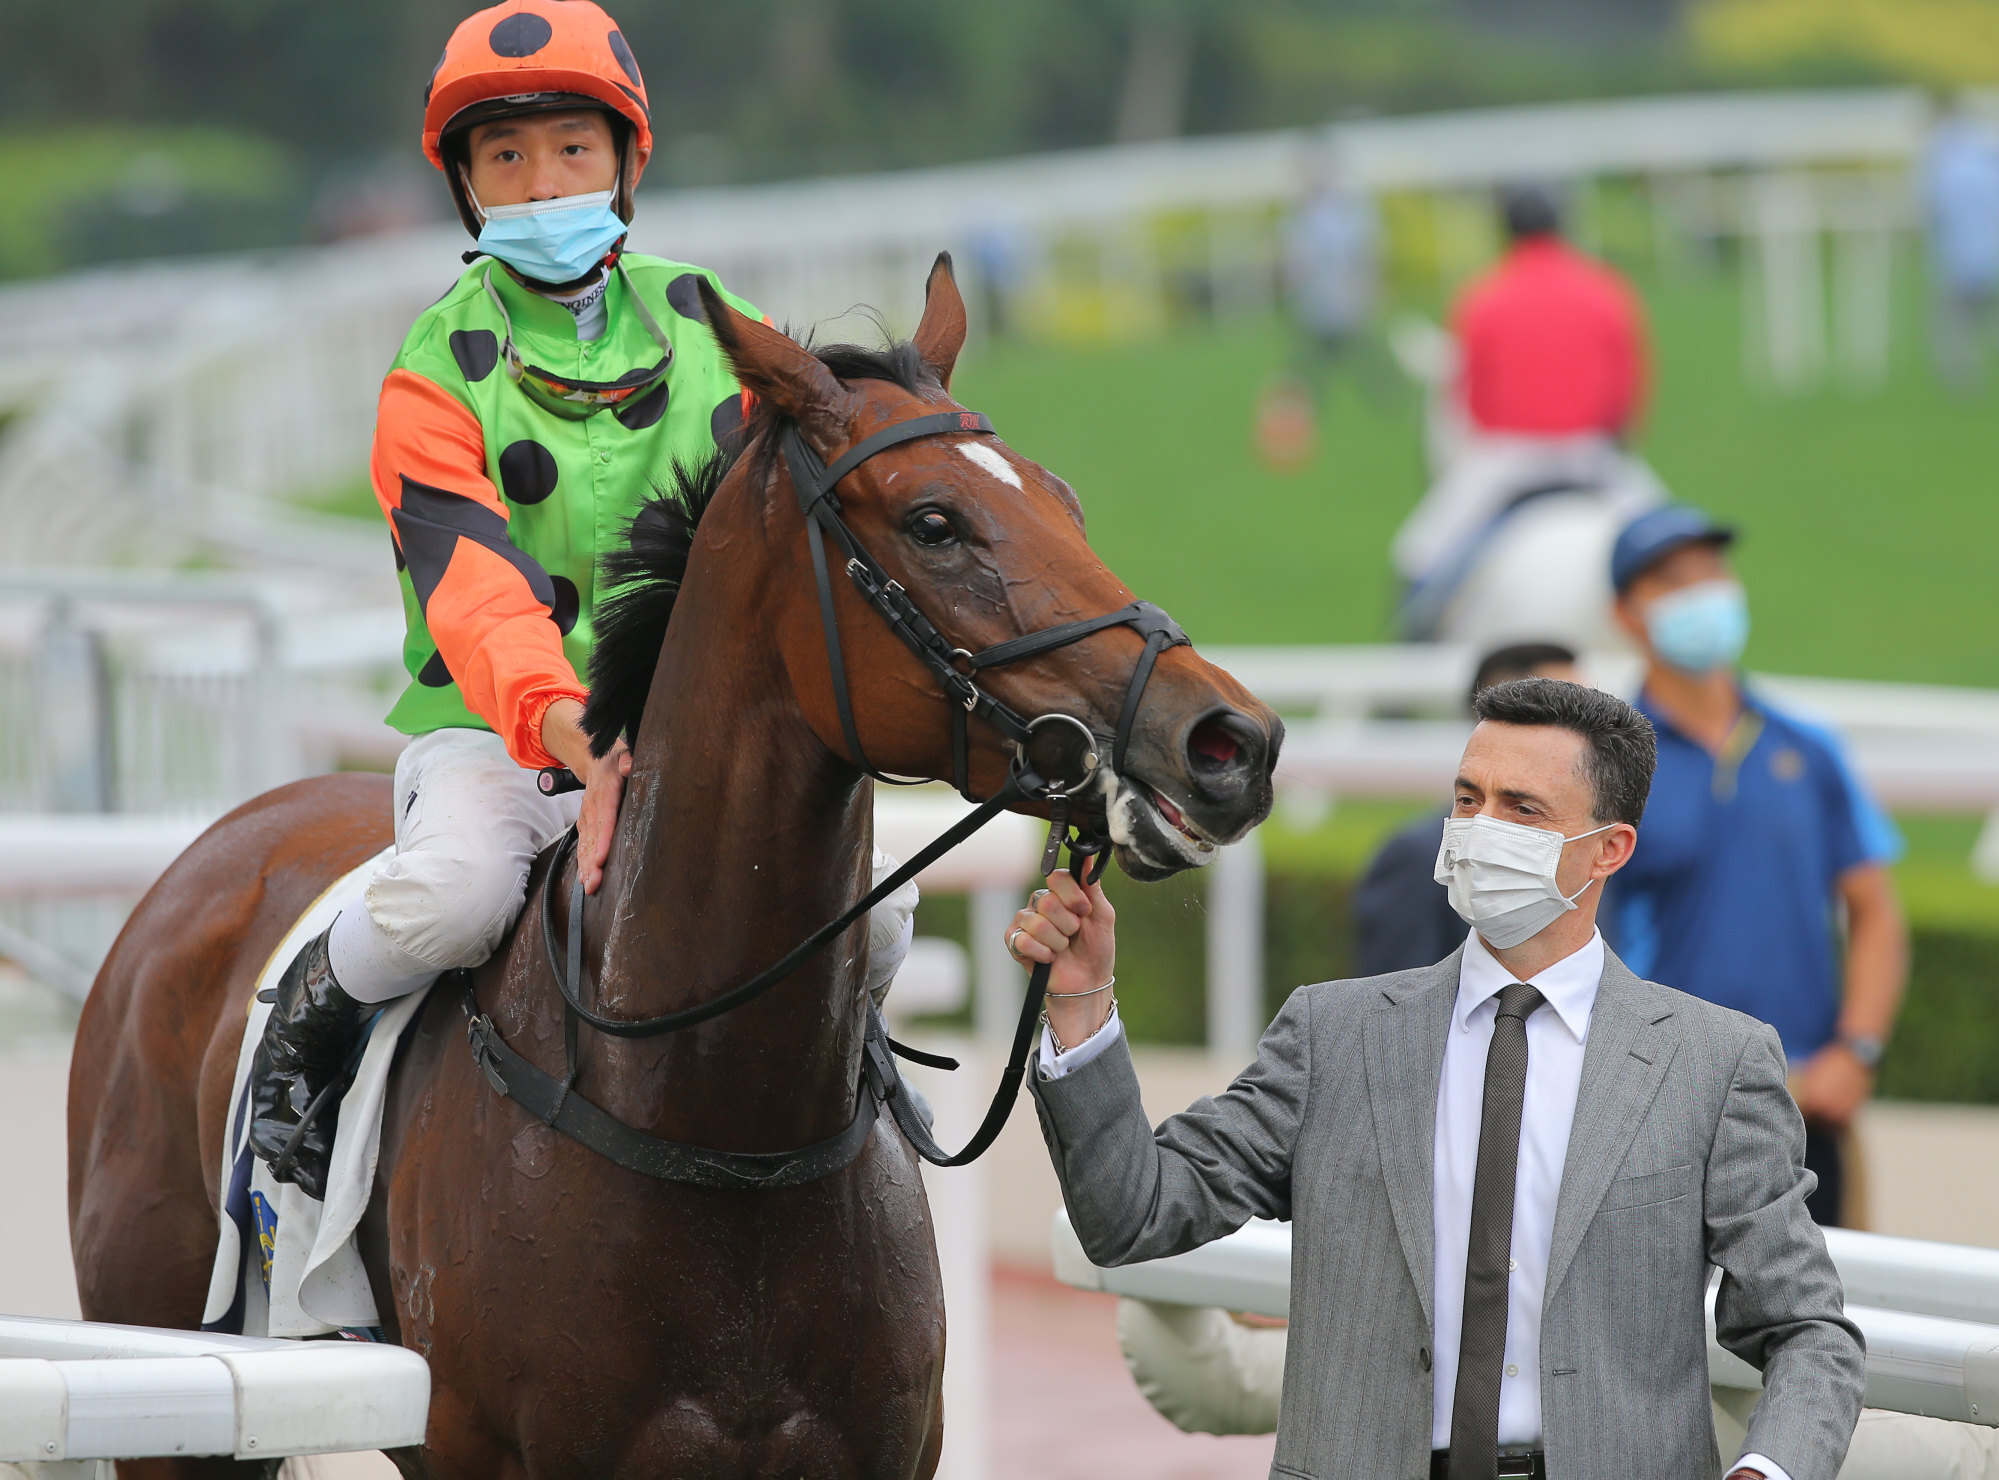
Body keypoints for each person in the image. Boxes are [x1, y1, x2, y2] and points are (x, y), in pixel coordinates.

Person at [242, 0, 916, 1198]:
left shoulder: (718, 329)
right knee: (454, 897)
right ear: (466, 187)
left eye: (570, 149)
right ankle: (296, 1060)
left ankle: (852, 1073)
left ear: (626, 162)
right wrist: (574, 733)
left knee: (886, 916)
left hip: (690, 737)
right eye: (505, 157)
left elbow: (830, 472)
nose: (543, 186)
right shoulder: (430, 378)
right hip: (499, 740)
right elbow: (482, 603)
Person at [1009, 678, 1863, 1480]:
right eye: (1468, 798)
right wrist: (1081, 1005)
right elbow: (1131, 1215)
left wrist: (1769, 1469)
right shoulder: (1332, 1034)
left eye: (1521, 809)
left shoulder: (1713, 1062)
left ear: (1609, 850)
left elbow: (1806, 1329)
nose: (1480, 827)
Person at [1603, 506, 1908, 1228]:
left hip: (1801, 1107)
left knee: (1808, 1328)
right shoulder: (1607, 762)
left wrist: (1855, 1050)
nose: (1703, 591)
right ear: (1627, 613)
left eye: (1712, 571)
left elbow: (1874, 911)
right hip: (1654, 1113)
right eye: (1674, 580)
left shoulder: (1809, 749)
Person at [1393, 185, 1663, 634]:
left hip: (1505, 459)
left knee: (1419, 552)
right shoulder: (1606, 290)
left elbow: (1472, 403)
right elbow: (1628, 393)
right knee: (1675, 546)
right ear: (1563, 224)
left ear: (1506, 229)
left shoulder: (1482, 296)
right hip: (1592, 455)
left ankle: (1402, 682)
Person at [1355, 642, 1581, 976]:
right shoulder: (1416, 856)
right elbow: (1394, 1006)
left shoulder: (1593, 843)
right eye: (1568, 714)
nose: (1595, 730)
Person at [1923, 100, 1999, 392]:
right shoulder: (1985, 157)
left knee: (1952, 326)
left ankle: (1963, 385)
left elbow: (1930, 209)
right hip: (1989, 256)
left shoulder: (1942, 162)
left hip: (1958, 260)